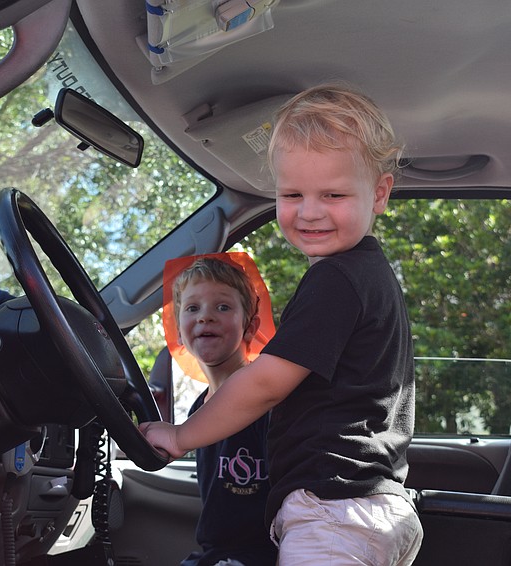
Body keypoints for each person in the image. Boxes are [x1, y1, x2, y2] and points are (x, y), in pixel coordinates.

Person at [141, 83, 423, 565]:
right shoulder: (366, 275)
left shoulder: (337, 279)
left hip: (336, 512)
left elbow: (267, 384)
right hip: (370, 507)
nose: (309, 211)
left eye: (333, 194)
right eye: (292, 193)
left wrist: (180, 436)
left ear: (379, 194)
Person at [162, 253, 278, 566]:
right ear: (179, 330)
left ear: (250, 327)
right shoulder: (199, 408)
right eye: (192, 308)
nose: (205, 317)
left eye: (223, 307)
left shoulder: (263, 398)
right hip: (217, 554)